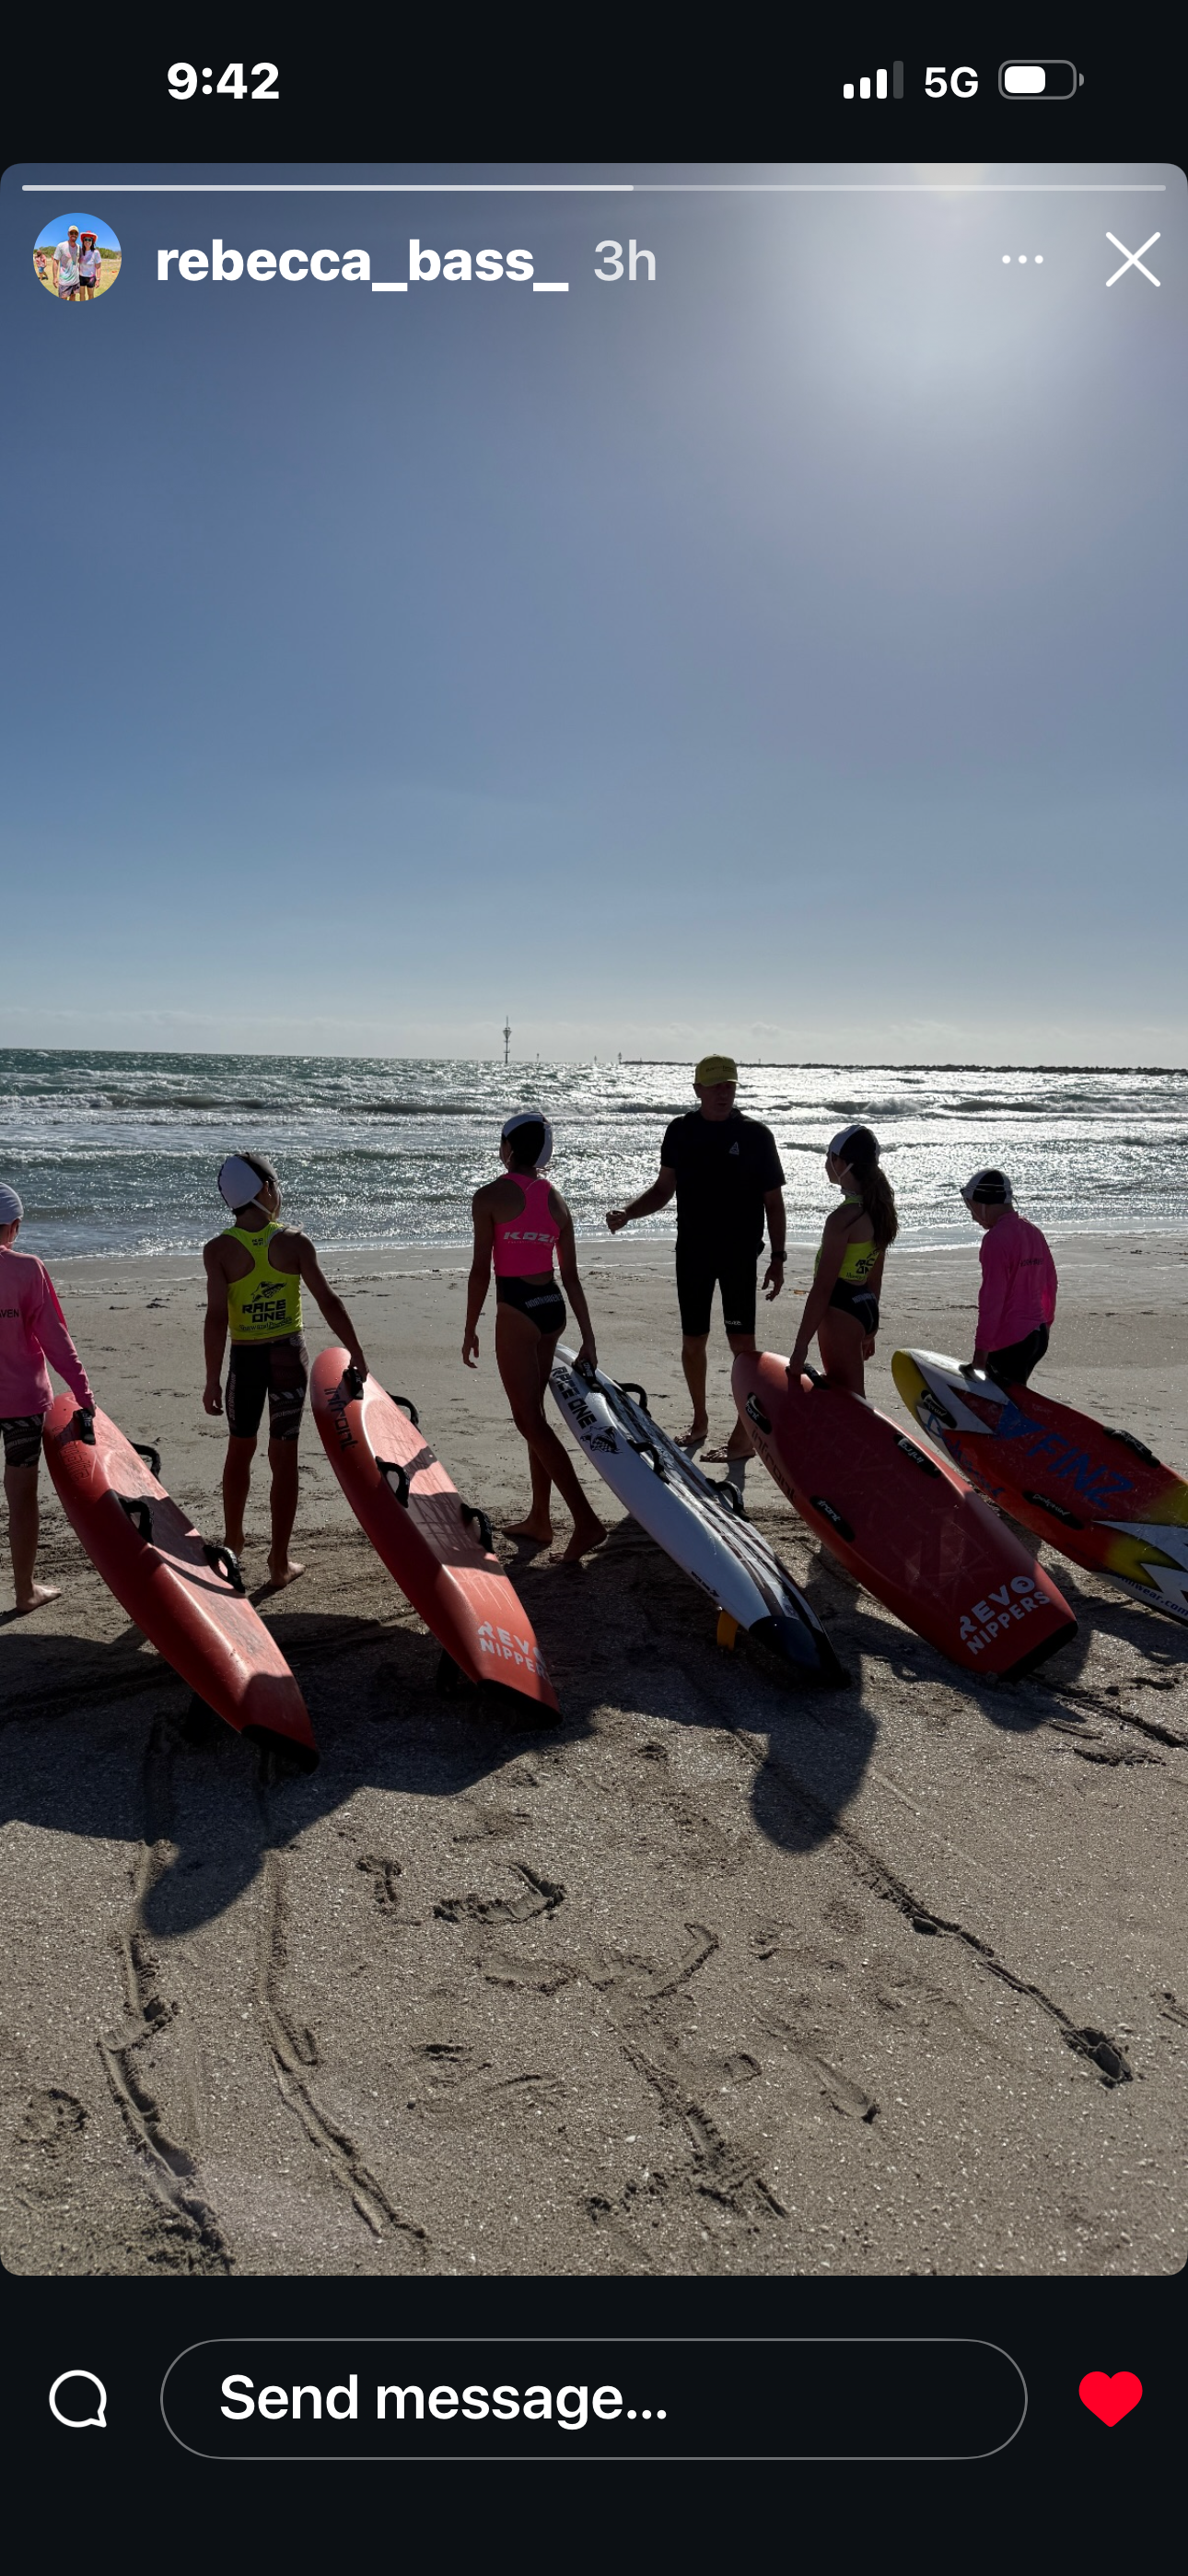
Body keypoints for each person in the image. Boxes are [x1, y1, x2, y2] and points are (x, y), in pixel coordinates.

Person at [605, 1053, 786, 1481]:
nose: (724, 1092)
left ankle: (744, 1434)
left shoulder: (756, 1135)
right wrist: (629, 1213)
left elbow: (773, 1203)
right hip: (693, 1253)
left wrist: (778, 1258)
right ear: (698, 1089)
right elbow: (663, 1188)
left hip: (740, 1254)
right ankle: (700, 1419)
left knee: (743, 1346)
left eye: (730, 1085)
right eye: (716, 1086)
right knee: (693, 1341)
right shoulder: (681, 1132)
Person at [203, 1152, 369, 1588]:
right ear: (264, 1191)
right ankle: (279, 1561)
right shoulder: (294, 1242)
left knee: (239, 1449)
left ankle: (234, 1543)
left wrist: (210, 1379)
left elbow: (217, 1318)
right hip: (287, 1359)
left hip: (245, 1361)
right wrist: (355, 1351)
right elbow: (329, 1301)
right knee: (284, 1457)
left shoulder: (218, 1250)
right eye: (276, 1185)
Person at [463, 1112, 605, 1561]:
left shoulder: (488, 1196)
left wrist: (469, 1326)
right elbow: (573, 1277)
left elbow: (480, 1272)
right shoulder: (556, 1199)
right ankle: (540, 1519)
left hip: (517, 1311)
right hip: (552, 1308)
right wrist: (588, 1338)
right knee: (536, 1416)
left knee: (529, 1420)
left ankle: (585, 1521)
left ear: (507, 1147)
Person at [0, 1181, 96, 1613]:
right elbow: (55, 1338)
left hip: (21, 1401)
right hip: (22, 1404)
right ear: (14, 1225)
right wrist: (82, 1393)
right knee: (21, 1498)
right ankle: (24, 1592)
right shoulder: (27, 1269)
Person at [787, 1124, 897, 1396]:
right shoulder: (880, 1209)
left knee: (851, 1399)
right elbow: (875, 1276)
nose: (826, 1163)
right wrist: (870, 1327)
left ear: (841, 1163)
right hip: (864, 1305)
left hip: (840, 1309)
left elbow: (823, 1288)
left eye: (829, 1156)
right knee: (846, 1392)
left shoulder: (842, 1220)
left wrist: (800, 1348)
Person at [961, 1168, 1057, 1386]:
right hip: (1037, 1336)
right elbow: (1050, 1284)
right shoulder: (1032, 1231)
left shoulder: (995, 1240)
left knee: (999, 1407)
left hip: (1011, 1342)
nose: (972, 1215)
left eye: (972, 1207)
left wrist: (980, 1356)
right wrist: (1046, 1324)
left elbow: (992, 1300)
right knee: (1014, 1396)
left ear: (984, 1203)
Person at [52, 227, 80, 299]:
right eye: (71, 233)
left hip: (75, 281)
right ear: (68, 234)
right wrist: (55, 277)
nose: (73, 235)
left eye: (75, 233)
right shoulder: (61, 246)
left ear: (78, 235)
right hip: (64, 281)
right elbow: (55, 261)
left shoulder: (79, 247)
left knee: (73, 297)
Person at [76, 229, 102, 299]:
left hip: (91, 278)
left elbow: (98, 267)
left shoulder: (96, 252)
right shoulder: (80, 251)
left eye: (90, 239)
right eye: (86, 239)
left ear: (92, 242)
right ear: (83, 241)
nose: (87, 241)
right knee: (81, 295)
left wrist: (98, 279)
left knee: (90, 295)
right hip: (81, 277)